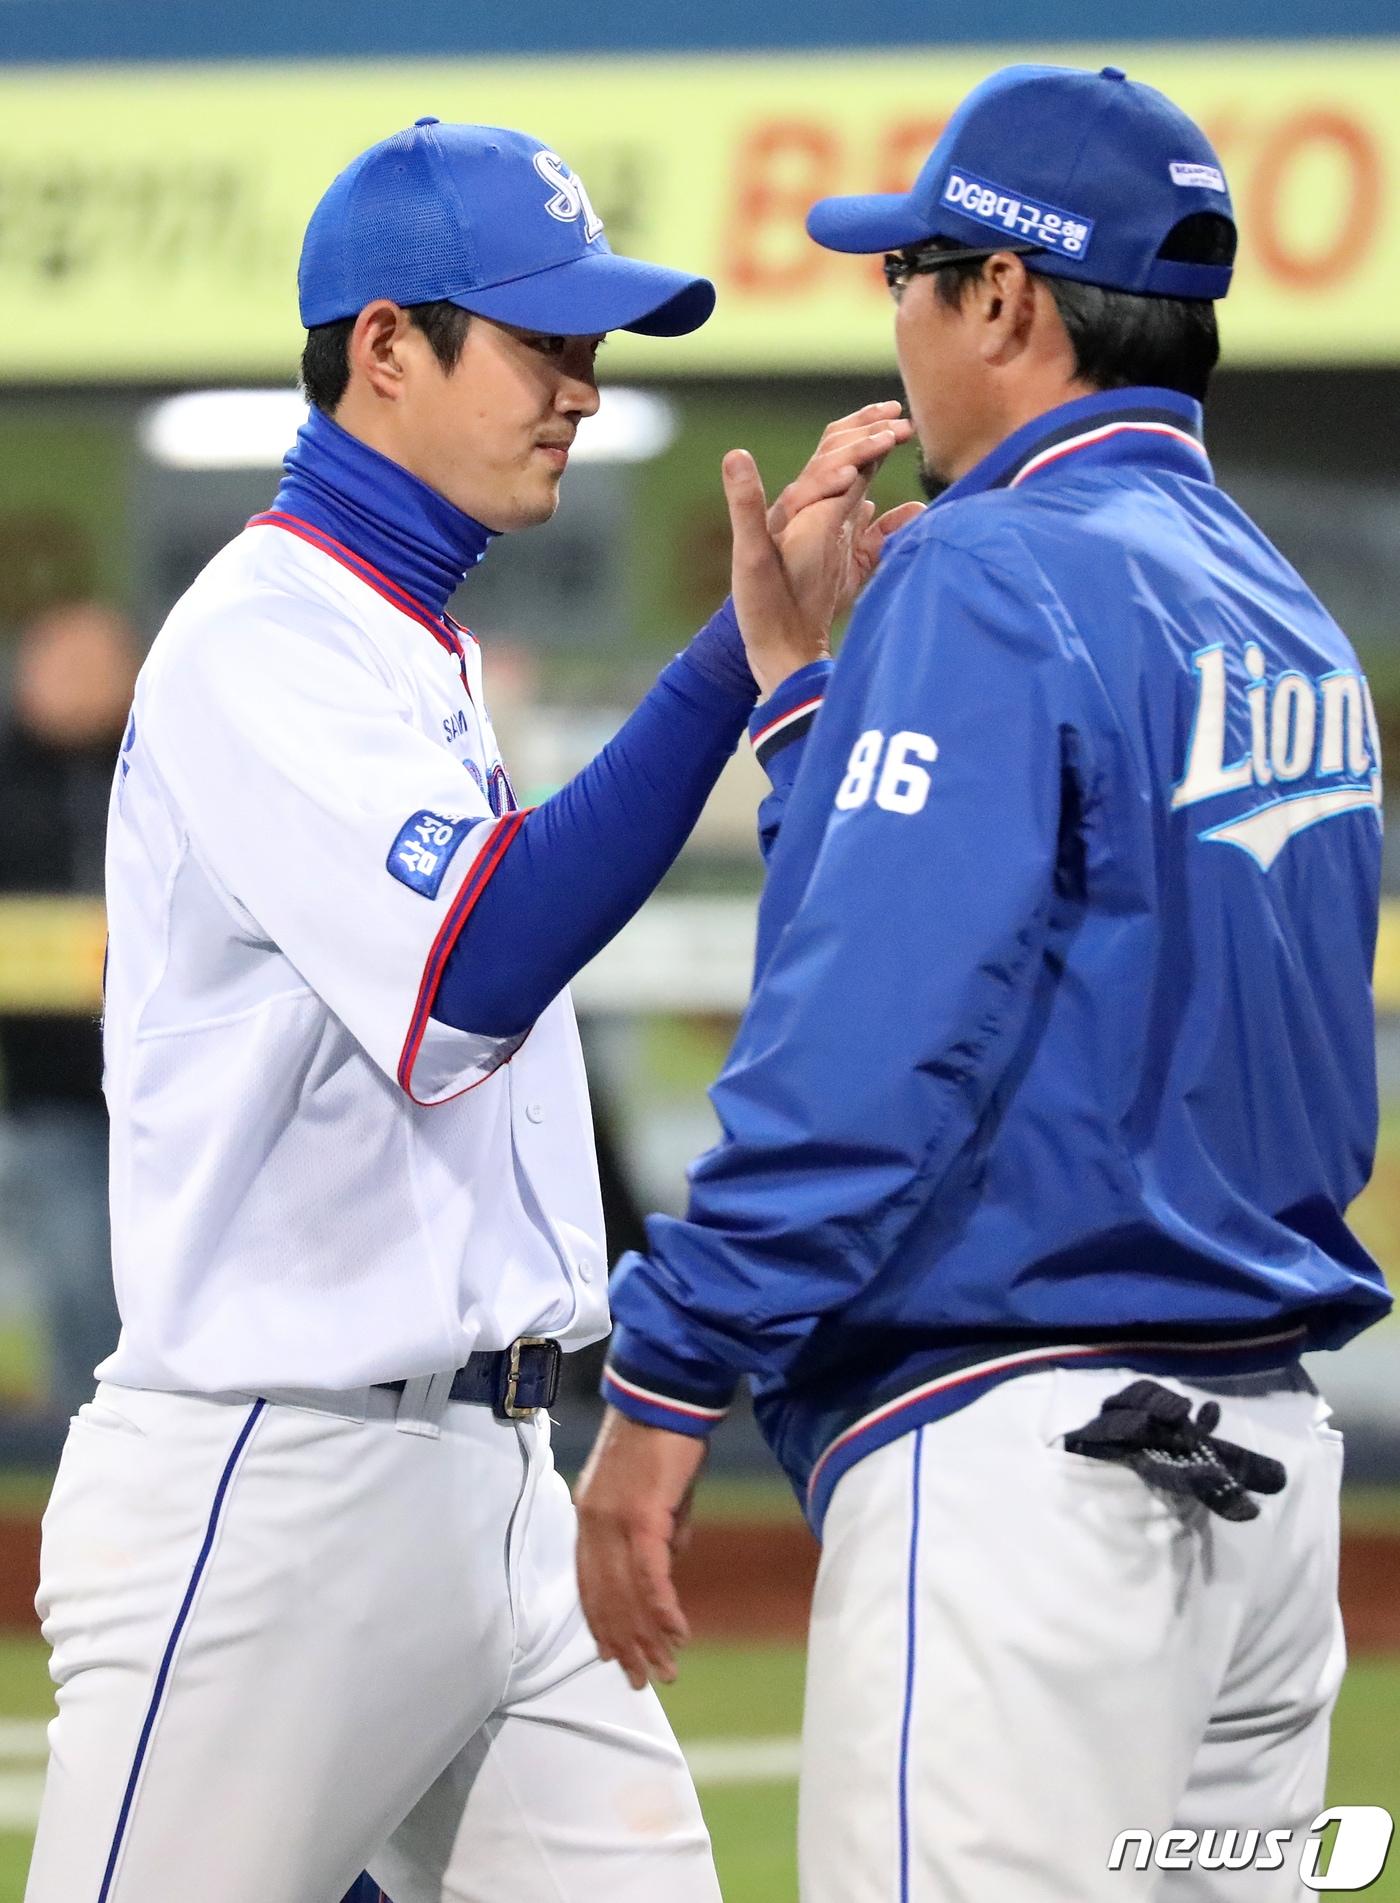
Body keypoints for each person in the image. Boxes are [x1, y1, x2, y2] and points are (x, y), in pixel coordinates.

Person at [23, 118, 912, 1903]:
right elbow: (472, 971)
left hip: (496, 1475)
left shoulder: (405, 638)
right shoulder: (256, 638)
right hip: (275, 1483)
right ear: (383, 350)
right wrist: (734, 659)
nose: (581, 389)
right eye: (540, 343)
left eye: (592, 347)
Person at [575, 63, 1393, 1902]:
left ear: (1008, 299)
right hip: (1260, 1491)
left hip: (1037, 1476)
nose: (902, 319)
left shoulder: (987, 567)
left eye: (912, 277)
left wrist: (669, 1378)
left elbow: (870, 1046)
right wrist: (814, 706)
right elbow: (1066, 947)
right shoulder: (1286, 612)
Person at [0, 603, 133, 1425]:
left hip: (172, 1101)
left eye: (95, 665)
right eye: (57, 664)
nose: (72, 686)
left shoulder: (163, 766)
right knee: (85, 1315)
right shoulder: (12, 784)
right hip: (51, 1097)